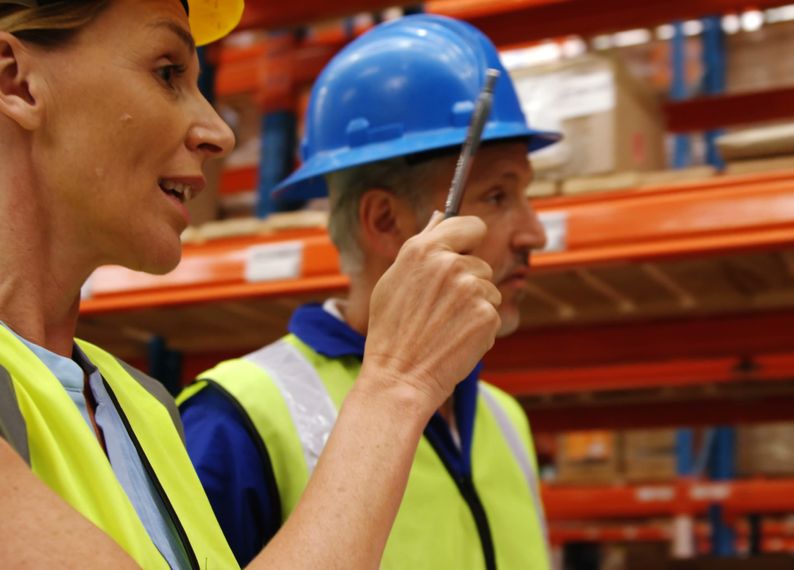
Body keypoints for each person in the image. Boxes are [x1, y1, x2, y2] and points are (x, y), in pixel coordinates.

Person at [0, 1, 503, 567]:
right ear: (17, 82)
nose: (219, 133)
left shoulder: (141, 406)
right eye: (168, 72)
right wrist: (397, 384)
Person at [178, 14, 561, 569]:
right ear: (383, 221)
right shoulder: (237, 419)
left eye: (524, 192)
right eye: (498, 196)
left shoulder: (504, 419)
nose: (535, 233)